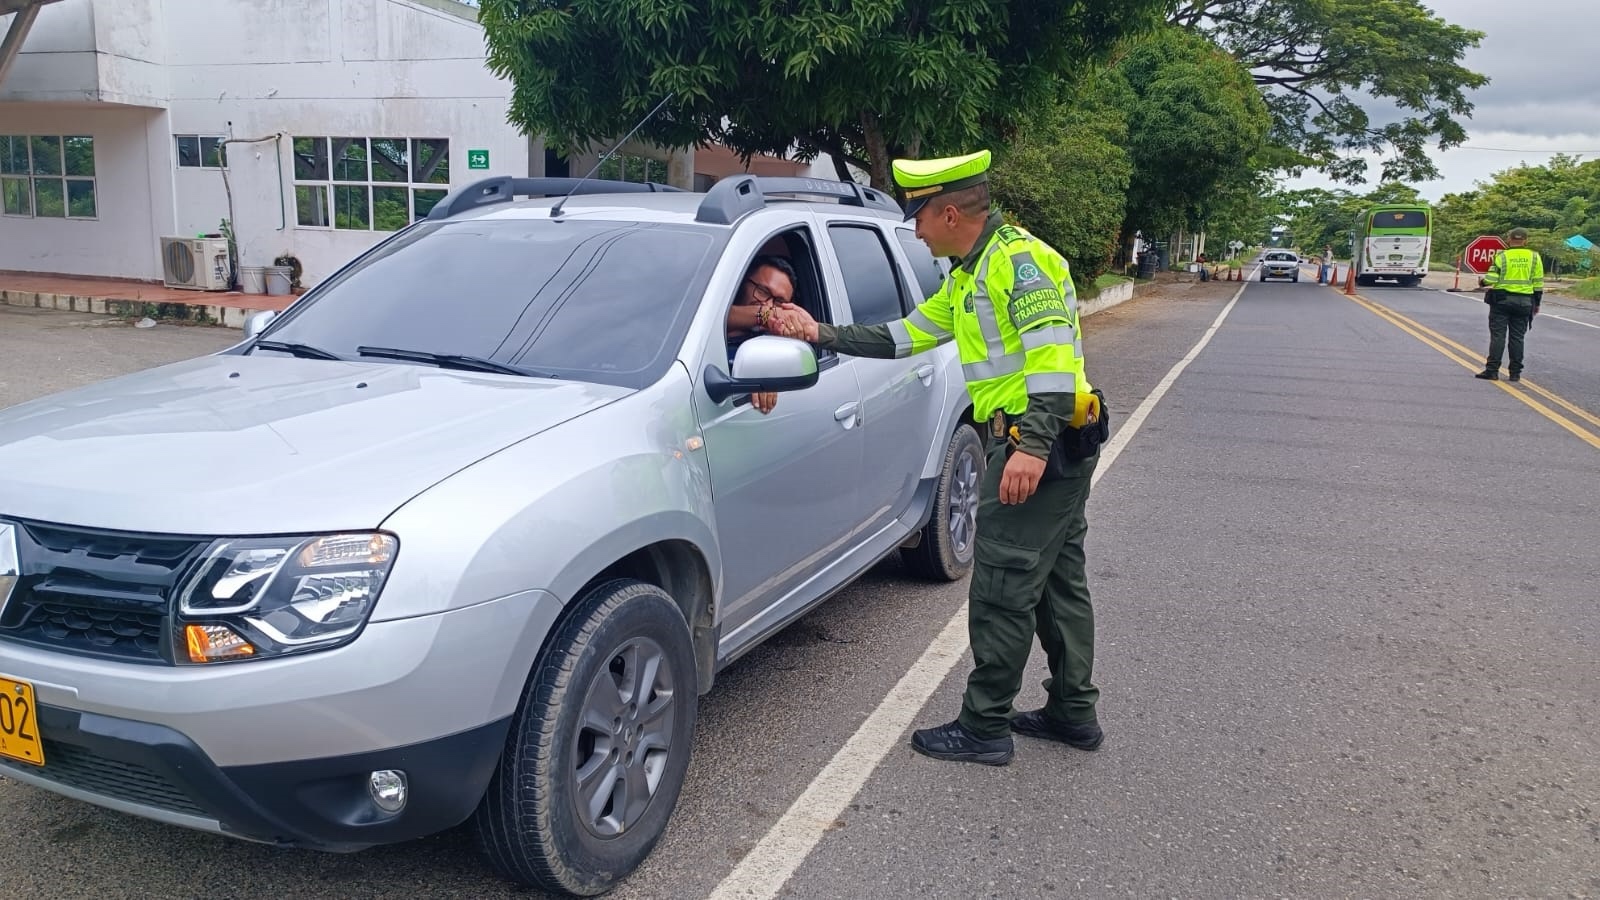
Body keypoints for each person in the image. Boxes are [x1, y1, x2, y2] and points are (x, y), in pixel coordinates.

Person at [772, 150, 1105, 765]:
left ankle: (984, 728)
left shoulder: (1019, 265)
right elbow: (906, 336)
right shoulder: (970, 274)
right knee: (1058, 584)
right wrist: (818, 332)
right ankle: (1072, 711)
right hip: (1047, 444)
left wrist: (1029, 448)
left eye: (918, 218)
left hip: (1038, 446)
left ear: (949, 213)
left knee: (1004, 586)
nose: (915, 231)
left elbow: (1054, 361)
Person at [725, 255, 802, 413]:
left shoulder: (778, 342)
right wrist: (763, 316)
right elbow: (716, 317)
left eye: (779, 302)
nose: (768, 305)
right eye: (762, 291)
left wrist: (767, 373)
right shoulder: (708, 315)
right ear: (741, 283)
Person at [1475, 228, 1544, 383]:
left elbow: (1492, 278)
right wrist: (1537, 304)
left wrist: (1482, 282)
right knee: (1517, 338)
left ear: (1509, 239)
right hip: (1525, 302)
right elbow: (1538, 283)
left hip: (1502, 301)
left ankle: (1492, 371)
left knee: (1498, 336)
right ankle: (1515, 373)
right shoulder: (1534, 257)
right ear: (1526, 240)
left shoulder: (1502, 256)